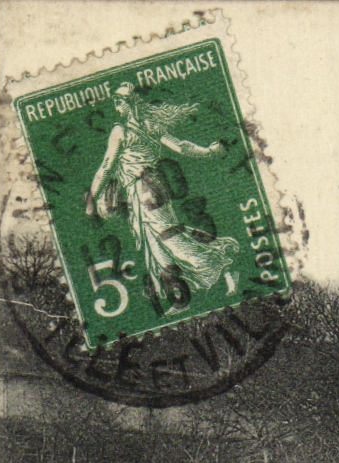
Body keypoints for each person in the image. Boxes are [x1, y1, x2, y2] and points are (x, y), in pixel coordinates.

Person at [85, 84, 239, 307]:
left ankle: (219, 264)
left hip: (144, 191)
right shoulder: (150, 125)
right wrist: (208, 152)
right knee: (154, 240)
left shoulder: (121, 132)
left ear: (130, 104)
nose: (116, 105)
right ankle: (174, 289)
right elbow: (181, 147)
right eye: (116, 102)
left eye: (120, 101)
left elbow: (106, 166)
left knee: (168, 236)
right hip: (147, 191)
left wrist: (92, 197)